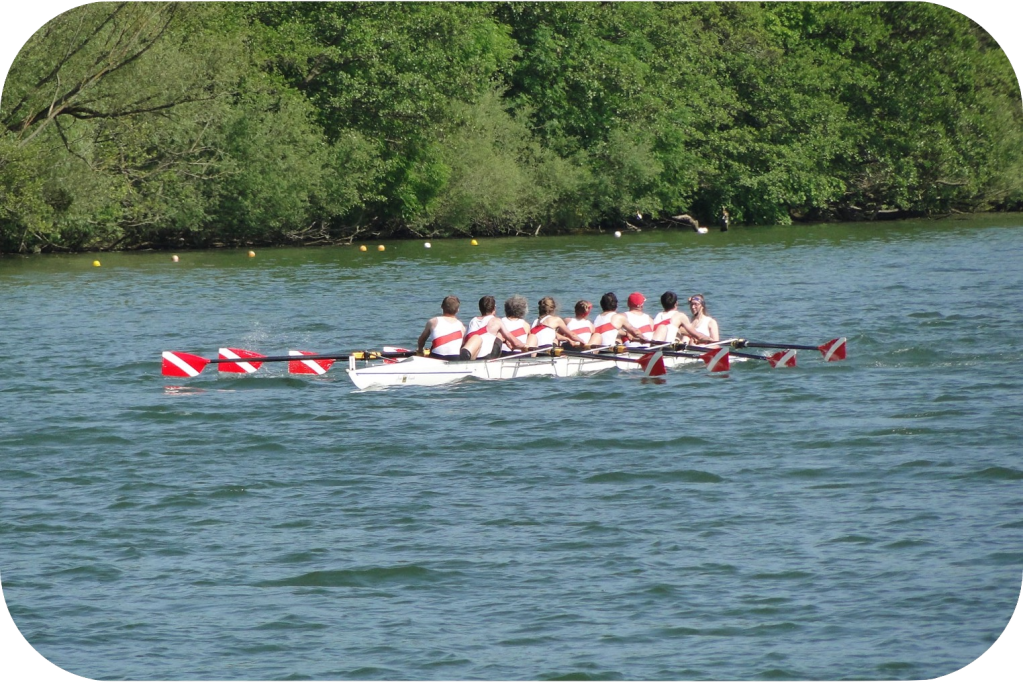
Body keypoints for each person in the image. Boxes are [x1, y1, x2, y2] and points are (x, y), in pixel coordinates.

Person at [461, 295, 527, 360]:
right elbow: (515, 343)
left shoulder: (473, 321)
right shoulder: (496, 321)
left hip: (472, 355)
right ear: (494, 308)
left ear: (480, 308)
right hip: (486, 358)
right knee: (499, 335)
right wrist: (524, 347)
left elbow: (464, 342)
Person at [417, 295, 465, 360]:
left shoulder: (433, 322)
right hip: (455, 358)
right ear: (458, 310)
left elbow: (421, 340)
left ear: (441, 306)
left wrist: (420, 351)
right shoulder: (461, 326)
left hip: (436, 357)